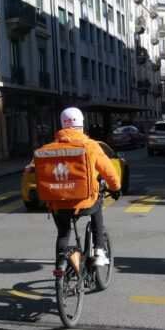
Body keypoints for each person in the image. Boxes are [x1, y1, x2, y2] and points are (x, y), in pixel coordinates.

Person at [48, 108, 121, 268]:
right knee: (98, 206)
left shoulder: (51, 147)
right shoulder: (90, 145)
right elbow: (109, 171)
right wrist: (116, 188)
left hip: (58, 203)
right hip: (84, 202)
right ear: (81, 125)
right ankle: (100, 251)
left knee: (63, 233)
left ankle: (60, 267)